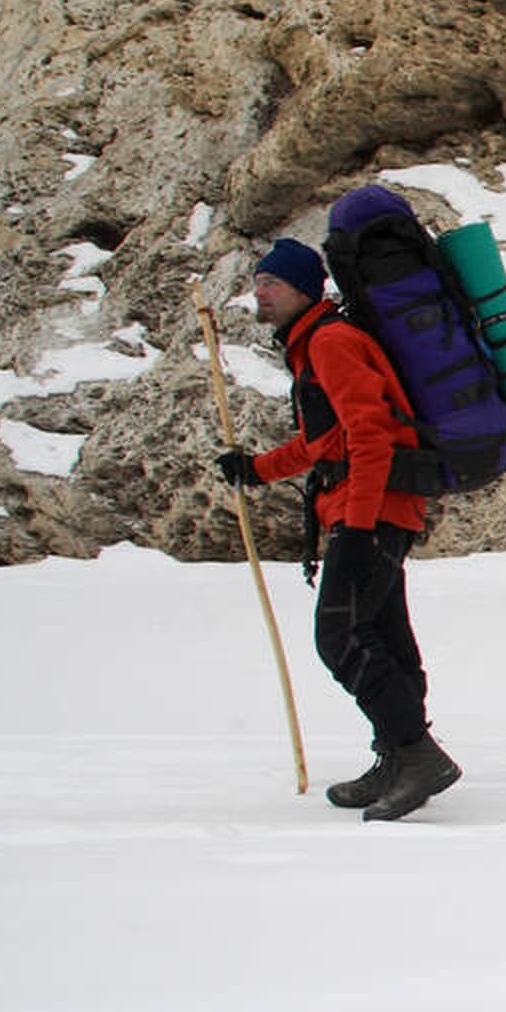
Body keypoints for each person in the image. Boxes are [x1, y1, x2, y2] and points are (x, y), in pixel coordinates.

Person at [213, 237, 461, 821]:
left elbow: (371, 435)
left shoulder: (331, 343)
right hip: (375, 506)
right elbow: (327, 444)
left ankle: (417, 755)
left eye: (271, 282)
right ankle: (396, 758)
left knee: (341, 637)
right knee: (385, 638)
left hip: (370, 509)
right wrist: (256, 470)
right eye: (257, 281)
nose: (259, 291)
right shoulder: (315, 346)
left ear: (305, 289)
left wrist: (355, 524)